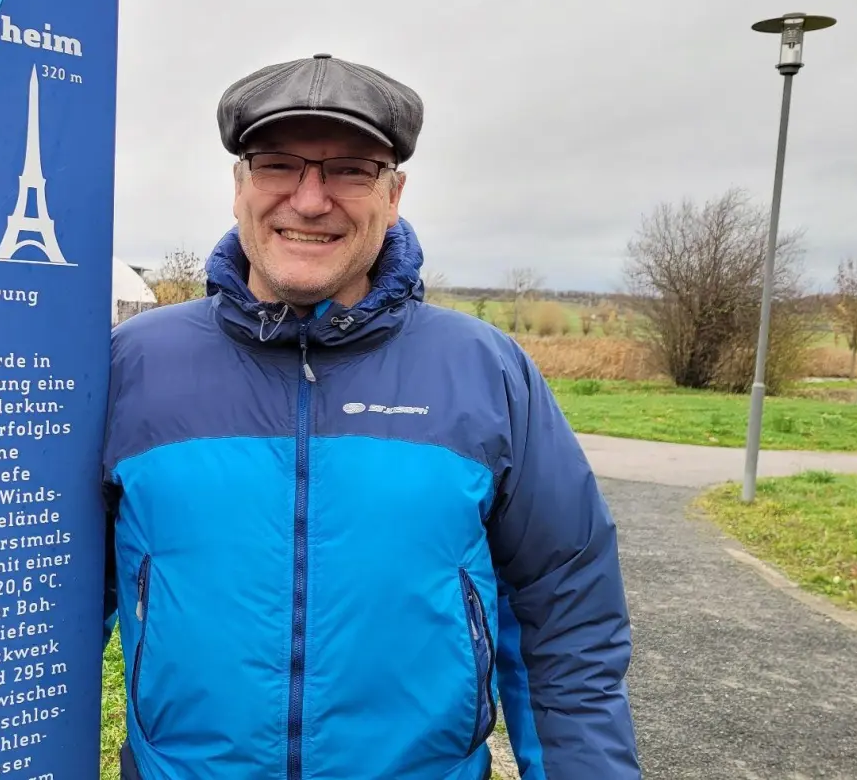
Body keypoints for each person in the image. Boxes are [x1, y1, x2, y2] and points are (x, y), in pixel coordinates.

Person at [100, 53, 641, 779]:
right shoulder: (130, 365)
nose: (311, 198)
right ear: (237, 186)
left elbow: (567, 620)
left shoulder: (486, 371)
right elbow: (42, 613)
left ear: (395, 193)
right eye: (277, 165)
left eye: (351, 169)